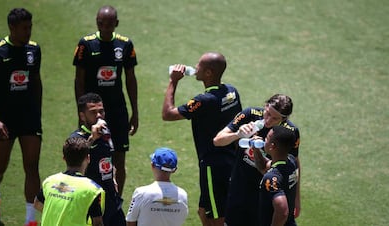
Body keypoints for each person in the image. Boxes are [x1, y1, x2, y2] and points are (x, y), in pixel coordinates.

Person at [162, 52, 242, 226]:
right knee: (203, 211)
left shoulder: (204, 100)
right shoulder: (232, 92)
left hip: (213, 167)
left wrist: (173, 81)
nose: (195, 68)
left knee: (217, 218)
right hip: (231, 161)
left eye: (199, 66)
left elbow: (168, 114)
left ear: (209, 73)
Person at [0, 8, 42, 226]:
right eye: (24, 28)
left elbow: (36, 81)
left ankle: (30, 220)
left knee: (32, 167)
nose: (28, 32)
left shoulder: (34, 50)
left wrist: (37, 113)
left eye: (30, 27)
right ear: (12, 28)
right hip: (3, 120)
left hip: (29, 118)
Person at [73, 5, 139, 196]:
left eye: (110, 23)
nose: (106, 27)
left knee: (119, 158)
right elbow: (79, 80)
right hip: (92, 111)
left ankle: (115, 199)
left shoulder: (125, 45)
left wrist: (135, 112)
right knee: (90, 155)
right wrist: (82, 113)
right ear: (97, 23)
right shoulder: (86, 44)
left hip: (118, 110)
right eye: (102, 23)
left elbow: (131, 79)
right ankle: (90, 197)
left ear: (116, 23)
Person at [213, 94, 301, 226]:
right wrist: (238, 134)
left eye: (275, 118)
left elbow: (293, 165)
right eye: (268, 113)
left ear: (284, 119)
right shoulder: (250, 115)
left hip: (267, 194)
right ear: (265, 106)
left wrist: (296, 199)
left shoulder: (288, 133)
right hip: (239, 187)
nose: (268, 120)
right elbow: (217, 141)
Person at [70, 92, 126, 226]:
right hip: (92, 202)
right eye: (93, 112)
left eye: (101, 111)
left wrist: (112, 176)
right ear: (82, 116)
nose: (99, 115)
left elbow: (108, 158)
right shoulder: (76, 139)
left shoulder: (105, 132)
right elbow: (76, 161)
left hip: (112, 200)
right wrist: (92, 139)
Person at [34, 137, 105, 226]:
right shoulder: (92, 190)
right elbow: (97, 223)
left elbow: (37, 204)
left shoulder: (50, 181)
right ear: (88, 158)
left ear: (64, 158)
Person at [126, 147, 188, 226]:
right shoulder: (183, 195)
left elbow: (130, 221)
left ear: (152, 165)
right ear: (174, 170)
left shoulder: (141, 193)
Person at [257, 126, 299, 226]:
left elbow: (282, 211)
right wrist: (256, 150)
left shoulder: (272, 178)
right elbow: (264, 167)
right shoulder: (291, 161)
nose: (264, 140)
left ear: (272, 146)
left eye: (266, 138)